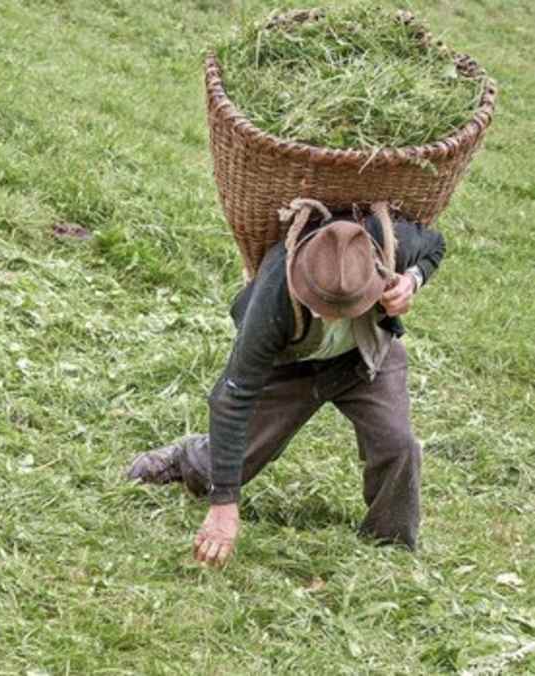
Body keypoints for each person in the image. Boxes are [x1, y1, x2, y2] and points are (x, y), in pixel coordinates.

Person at [125, 203, 445, 567]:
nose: (333, 315)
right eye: (324, 304)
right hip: (295, 366)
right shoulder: (274, 291)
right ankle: (187, 459)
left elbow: (435, 245)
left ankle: (391, 547)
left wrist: (412, 279)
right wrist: (224, 507)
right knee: (234, 462)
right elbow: (234, 395)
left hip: (364, 357)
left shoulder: (388, 240)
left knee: (399, 445)